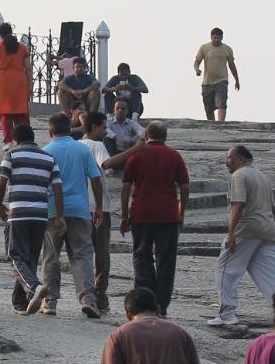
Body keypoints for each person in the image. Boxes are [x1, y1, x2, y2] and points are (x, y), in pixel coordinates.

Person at [106, 120, 189, 316]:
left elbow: (126, 187)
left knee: (142, 257)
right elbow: (184, 187)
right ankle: (161, 306)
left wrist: (125, 216)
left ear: (146, 135)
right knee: (166, 261)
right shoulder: (174, 155)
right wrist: (181, 212)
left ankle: (145, 303)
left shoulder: (136, 155)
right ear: (165, 136)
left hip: (141, 214)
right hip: (168, 215)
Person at [206, 145, 275, 327]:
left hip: (247, 229)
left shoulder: (239, 175)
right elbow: (273, 209)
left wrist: (231, 234)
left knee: (224, 270)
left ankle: (227, 313)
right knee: (270, 276)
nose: (227, 161)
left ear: (242, 159)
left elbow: (238, 205)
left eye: (230, 158)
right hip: (267, 230)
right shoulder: (262, 176)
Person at [33, 113, 103, 319]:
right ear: (70, 129)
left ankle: (50, 301)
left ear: (50, 131)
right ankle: (88, 299)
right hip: (80, 210)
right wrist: (98, 206)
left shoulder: (45, 152)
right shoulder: (82, 149)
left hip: (53, 211)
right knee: (82, 255)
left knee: (50, 256)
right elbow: (96, 179)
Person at [0, 123, 63, 314]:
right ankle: (21, 302)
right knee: (30, 257)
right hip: (41, 215)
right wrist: (59, 215)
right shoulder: (49, 158)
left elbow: (1, 183)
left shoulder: (12, 155)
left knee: (14, 255)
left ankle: (34, 287)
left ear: (15, 140)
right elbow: (57, 187)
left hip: (19, 213)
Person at [80, 111, 119, 310]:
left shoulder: (76, 145)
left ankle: (86, 294)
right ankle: (99, 295)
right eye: (103, 127)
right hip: (98, 207)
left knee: (82, 253)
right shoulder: (97, 145)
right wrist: (136, 150)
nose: (105, 131)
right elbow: (107, 163)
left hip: (78, 208)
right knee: (102, 255)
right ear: (94, 127)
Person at [0, 23, 32, 146]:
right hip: (19, 81)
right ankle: (24, 139)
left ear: (0, 34)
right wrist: (29, 84)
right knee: (21, 111)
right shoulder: (22, 47)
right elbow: (28, 67)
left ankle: (8, 141)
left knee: (5, 113)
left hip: (2, 81)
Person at [194, 28, 239, 123]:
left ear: (222, 38)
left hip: (222, 80)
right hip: (207, 82)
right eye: (214, 38)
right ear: (211, 37)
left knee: (221, 102)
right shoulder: (204, 48)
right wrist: (197, 70)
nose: (216, 40)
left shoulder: (227, 49)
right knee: (208, 108)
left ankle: (220, 123)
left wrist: (237, 80)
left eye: (218, 38)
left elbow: (232, 65)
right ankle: (212, 125)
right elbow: (197, 61)